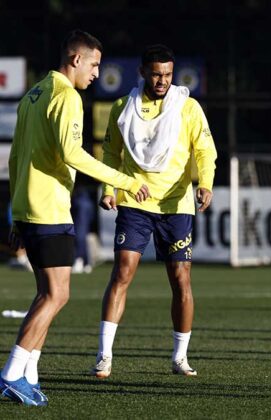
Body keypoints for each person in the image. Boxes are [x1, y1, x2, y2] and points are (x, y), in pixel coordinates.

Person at [1, 30, 150, 406]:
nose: (98, 73)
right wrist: (123, 181)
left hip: (30, 207)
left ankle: (29, 375)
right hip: (49, 208)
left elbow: (16, 157)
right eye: (95, 64)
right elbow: (73, 153)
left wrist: (16, 213)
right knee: (57, 294)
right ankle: (10, 374)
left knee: (47, 294)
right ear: (75, 58)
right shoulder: (67, 96)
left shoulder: (33, 95)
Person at [89, 44, 217, 378]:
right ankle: (104, 355)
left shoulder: (187, 107)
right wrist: (109, 189)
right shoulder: (123, 106)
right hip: (134, 201)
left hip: (176, 205)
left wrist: (205, 183)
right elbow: (111, 154)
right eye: (157, 74)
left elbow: (205, 150)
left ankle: (180, 357)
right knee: (122, 271)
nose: (162, 81)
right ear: (143, 72)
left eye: (168, 74)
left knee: (180, 279)